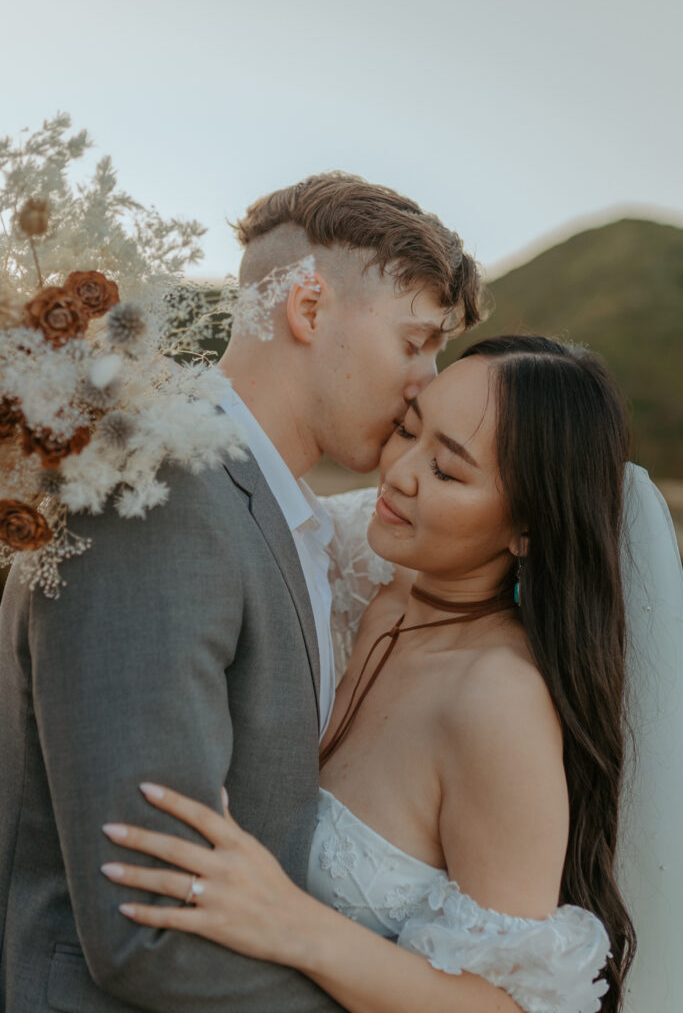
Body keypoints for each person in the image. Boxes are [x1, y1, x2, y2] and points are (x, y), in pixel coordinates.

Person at [0, 173, 482, 1012]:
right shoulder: (161, 498)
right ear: (308, 309)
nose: (426, 381)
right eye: (414, 343)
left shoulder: (271, 510)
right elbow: (146, 933)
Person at [98, 336, 652, 1013]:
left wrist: (293, 924)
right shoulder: (362, 563)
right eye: (408, 431)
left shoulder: (496, 702)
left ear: (527, 528)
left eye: (446, 472)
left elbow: (504, 1006)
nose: (399, 474)